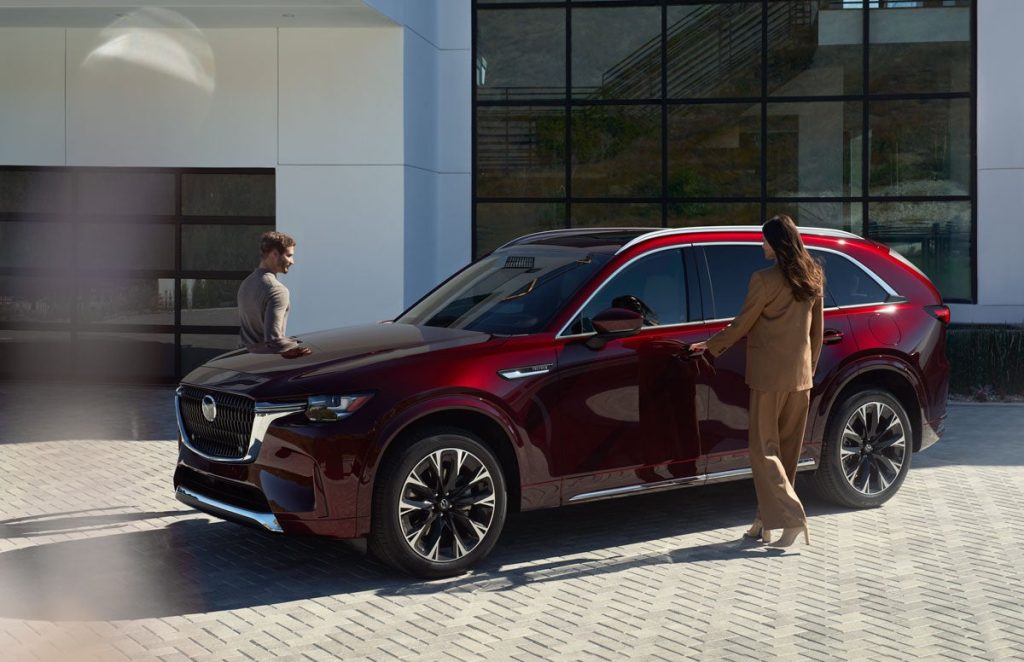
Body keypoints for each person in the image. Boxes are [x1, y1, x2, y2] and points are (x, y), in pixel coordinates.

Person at [690, 215, 824, 548]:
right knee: (787, 454)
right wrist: (808, 370)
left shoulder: (763, 280)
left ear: (776, 244)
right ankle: (765, 522)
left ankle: (792, 521)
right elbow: (816, 333)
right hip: (800, 379)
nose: (760, 246)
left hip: (768, 379)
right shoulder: (814, 276)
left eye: (764, 240)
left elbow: (742, 324)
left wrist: (710, 344)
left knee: (764, 452)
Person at [237, 231, 311, 359]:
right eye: (289, 255)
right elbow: (275, 341)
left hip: (243, 359)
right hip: (266, 364)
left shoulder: (246, 283)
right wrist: (301, 349)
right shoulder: (277, 290)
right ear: (275, 254)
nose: (292, 261)